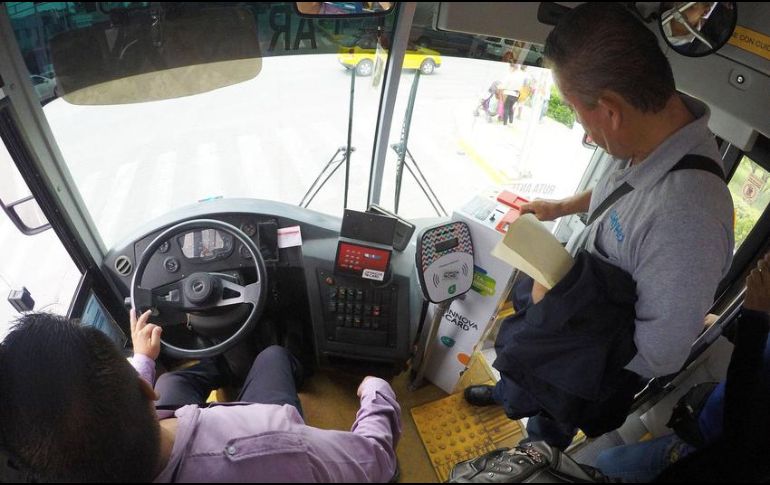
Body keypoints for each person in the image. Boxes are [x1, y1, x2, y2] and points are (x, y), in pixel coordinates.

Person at [465, 2, 734, 450]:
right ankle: (510, 390)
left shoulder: (690, 223)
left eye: (574, 109)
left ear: (609, 110)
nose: (579, 124)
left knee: (548, 419)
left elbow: (660, 354)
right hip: (569, 307)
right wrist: (562, 207)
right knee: (522, 366)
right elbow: (628, 194)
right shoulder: (652, 140)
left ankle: (541, 443)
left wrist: (565, 323)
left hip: (584, 359)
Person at [0, 309, 401, 482]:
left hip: (176, 436)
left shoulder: (66, 464)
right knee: (273, 356)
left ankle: (224, 365)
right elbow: (377, 459)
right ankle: (252, 357)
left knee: (175, 383)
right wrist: (375, 390)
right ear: (143, 391)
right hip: (239, 431)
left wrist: (143, 357)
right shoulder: (277, 443)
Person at [594, 253, 770, 483]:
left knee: (607, 464)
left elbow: (746, 428)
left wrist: (755, 317)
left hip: (713, 451)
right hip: (704, 425)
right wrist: (727, 325)